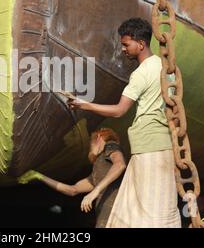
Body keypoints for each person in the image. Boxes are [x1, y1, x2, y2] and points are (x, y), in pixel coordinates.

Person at [68, 18, 181, 227]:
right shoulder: (164, 67)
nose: (122, 49)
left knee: (147, 214)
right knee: (156, 207)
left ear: (141, 44)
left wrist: (85, 105)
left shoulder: (141, 73)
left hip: (149, 148)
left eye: (126, 44)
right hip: (162, 145)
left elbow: (120, 110)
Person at [18, 128, 126, 228]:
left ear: (99, 137)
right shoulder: (98, 171)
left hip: (118, 213)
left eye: (91, 141)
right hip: (106, 218)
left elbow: (120, 164)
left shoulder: (110, 145)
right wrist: (40, 176)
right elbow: (72, 190)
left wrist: (94, 192)